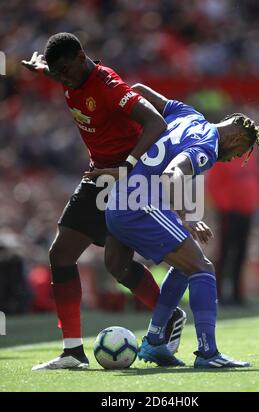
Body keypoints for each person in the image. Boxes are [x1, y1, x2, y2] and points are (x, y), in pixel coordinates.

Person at [22, 33, 186, 371]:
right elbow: (58, 73)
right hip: (98, 178)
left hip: (127, 180)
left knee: (117, 265)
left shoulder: (108, 85)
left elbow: (155, 122)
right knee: (61, 253)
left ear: (82, 56)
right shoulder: (66, 71)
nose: (64, 78)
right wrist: (42, 68)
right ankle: (72, 352)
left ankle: (168, 315)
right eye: (59, 73)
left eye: (66, 70)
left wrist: (125, 168)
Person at [89, 84, 259, 368]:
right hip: (138, 205)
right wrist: (189, 216)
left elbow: (137, 90)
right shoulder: (207, 145)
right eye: (239, 152)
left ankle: (156, 342)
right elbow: (173, 174)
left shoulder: (188, 113)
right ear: (236, 138)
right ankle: (208, 353)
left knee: (187, 265)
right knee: (203, 268)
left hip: (122, 197)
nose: (232, 159)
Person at [207, 154, 259, 305]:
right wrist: (226, 206)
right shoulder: (224, 158)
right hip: (229, 213)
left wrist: (254, 201)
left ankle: (237, 294)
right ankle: (219, 294)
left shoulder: (250, 156)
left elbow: (254, 179)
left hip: (246, 211)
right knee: (225, 253)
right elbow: (213, 185)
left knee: (241, 253)